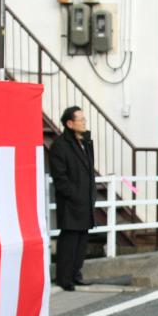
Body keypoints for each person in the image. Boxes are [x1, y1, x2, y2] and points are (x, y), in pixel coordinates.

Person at [49, 106, 96, 291]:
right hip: (70, 202)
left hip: (85, 199)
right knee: (69, 240)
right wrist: (74, 194)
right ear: (70, 123)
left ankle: (76, 275)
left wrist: (90, 194)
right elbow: (60, 178)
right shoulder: (60, 145)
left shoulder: (84, 142)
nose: (84, 123)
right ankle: (64, 278)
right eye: (81, 120)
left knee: (82, 240)